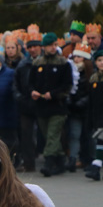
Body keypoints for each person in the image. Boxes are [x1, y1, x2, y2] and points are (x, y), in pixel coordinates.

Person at [30, 33, 73, 177]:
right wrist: (33, 92)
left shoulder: (63, 63)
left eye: (55, 45)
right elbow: (30, 83)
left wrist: (53, 94)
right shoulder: (37, 63)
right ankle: (61, 161)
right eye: (50, 45)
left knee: (53, 134)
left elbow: (67, 85)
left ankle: (48, 163)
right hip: (41, 107)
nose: (53, 48)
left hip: (58, 106)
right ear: (44, 47)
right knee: (48, 135)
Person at [13, 33, 42, 172]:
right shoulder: (23, 64)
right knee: (26, 135)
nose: (33, 49)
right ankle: (29, 163)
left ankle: (54, 161)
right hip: (26, 103)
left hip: (44, 103)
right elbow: (15, 83)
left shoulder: (45, 62)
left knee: (49, 133)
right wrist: (19, 97)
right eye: (30, 47)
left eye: (35, 46)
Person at [67, 44, 93, 172]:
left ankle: (88, 159)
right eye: (75, 56)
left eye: (80, 57)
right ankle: (73, 158)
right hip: (74, 110)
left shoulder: (90, 73)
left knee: (87, 136)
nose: (76, 59)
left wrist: (82, 102)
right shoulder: (70, 71)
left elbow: (91, 93)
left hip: (87, 110)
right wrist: (70, 100)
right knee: (74, 134)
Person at [86, 50, 103, 181]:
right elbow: (91, 101)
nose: (102, 63)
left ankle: (96, 165)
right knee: (100, 141)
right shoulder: (94, 78)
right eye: (99, 60)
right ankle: (96, 167)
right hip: (98, 116)